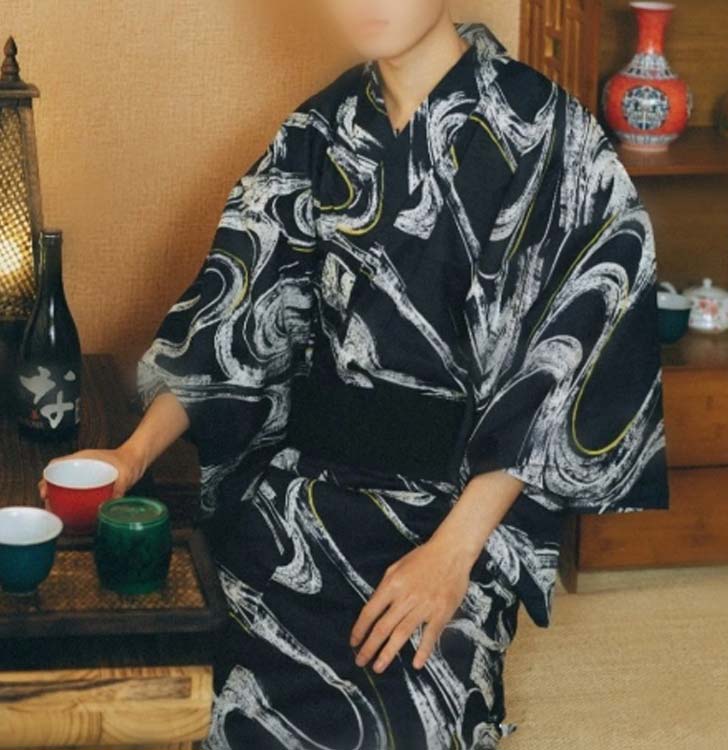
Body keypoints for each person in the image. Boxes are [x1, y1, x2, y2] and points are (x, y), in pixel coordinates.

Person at [40, 2, 669, 748]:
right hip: (308, 491)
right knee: (197, 696)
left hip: (456, 511)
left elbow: (558, 370)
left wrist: (451, 558)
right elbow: (230, 320)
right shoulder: (317, 131)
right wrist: (132, 454)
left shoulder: (550, 136)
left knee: (397, 723)